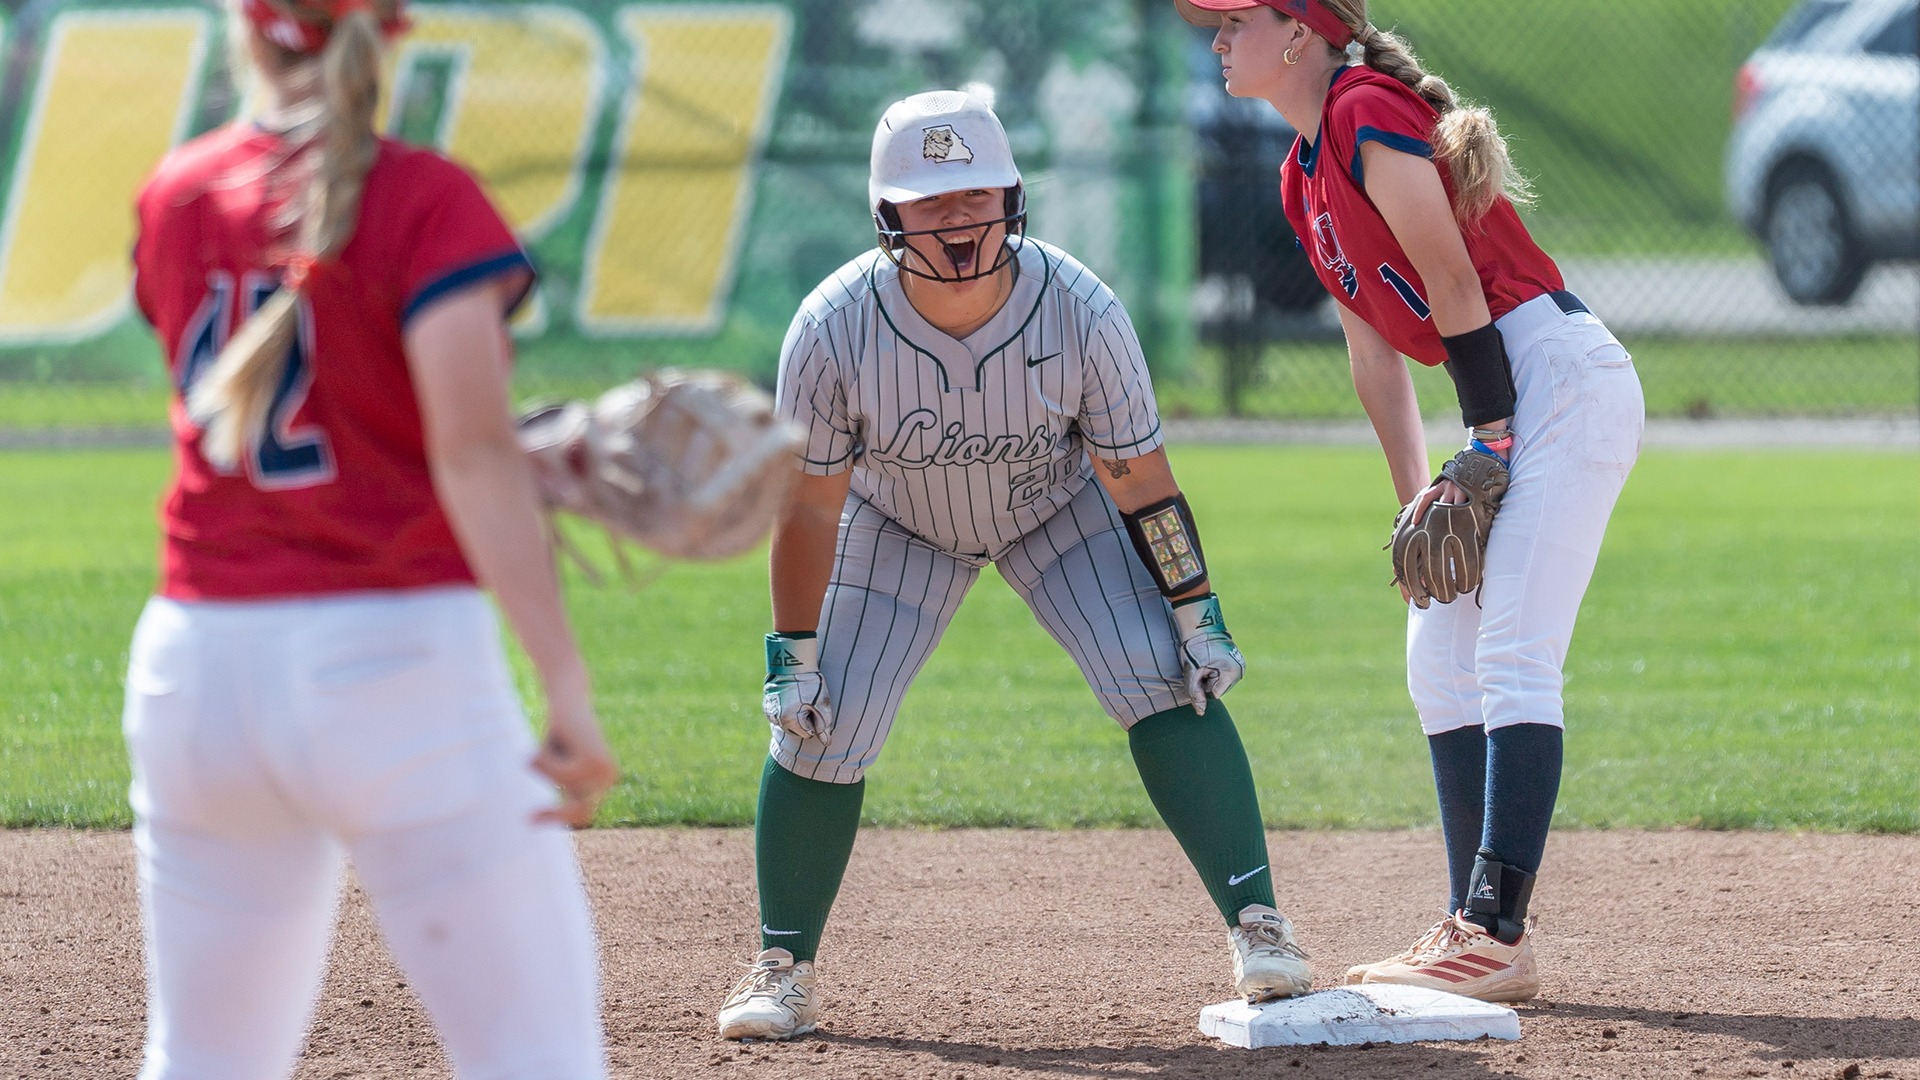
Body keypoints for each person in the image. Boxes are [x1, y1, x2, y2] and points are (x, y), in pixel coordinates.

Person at [713, 88, 1311, 1041]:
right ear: (888, 214)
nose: (959, 221)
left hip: (1053, 508)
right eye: (931, 201)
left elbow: (1140, 483)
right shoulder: (831, 327)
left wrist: (1198, 609)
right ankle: (781, 963)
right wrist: (792, 650)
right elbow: (812, 503)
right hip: (899, 520)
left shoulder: (1079, 307)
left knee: (1163, 673)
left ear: (1013, 197)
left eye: (976, 195)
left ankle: (1260, 926)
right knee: (826, 721)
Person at [121, 1, 618, 1076]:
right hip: (395, 662)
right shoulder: (426, 198)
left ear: (244, 31)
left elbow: (296, 406)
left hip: (194, 670)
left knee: (204, 1056)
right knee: (536, 1053)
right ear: (391, 35)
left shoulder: (175, 196)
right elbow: (470, 453)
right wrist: (564, 686)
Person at [1176, 0, 1645, 1003]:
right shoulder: (1299, 173)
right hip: (1508, 390)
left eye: (1233, 21)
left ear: (1299, 32)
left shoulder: (1362, 109)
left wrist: (1486, 445)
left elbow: (1453, 282)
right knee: (1439, 648)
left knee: (1514, 652)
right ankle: (1472, 933)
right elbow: (1373, 356)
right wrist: (1413, 500)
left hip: (1554, 379)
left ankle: (1495, 928)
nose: (1215, 38)